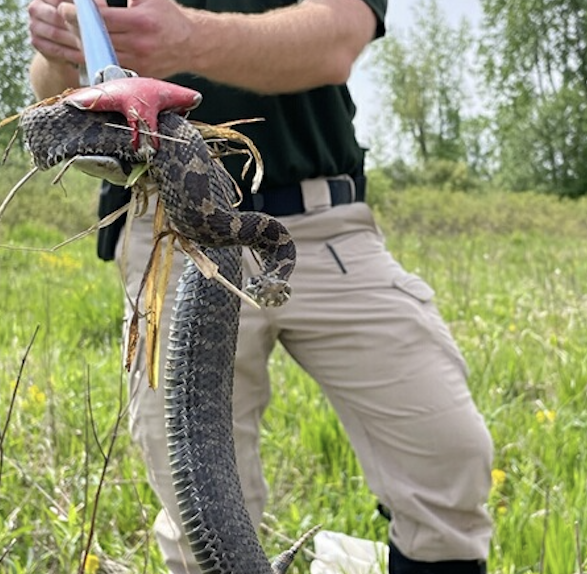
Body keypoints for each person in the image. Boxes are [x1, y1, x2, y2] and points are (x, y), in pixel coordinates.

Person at [26, 1, 494, 573]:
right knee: (199, 510)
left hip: (325, 223)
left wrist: (188, 38)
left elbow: (339, 38)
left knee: (448, 453)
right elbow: (57, 94)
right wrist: (58, 49)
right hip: (172, 233)